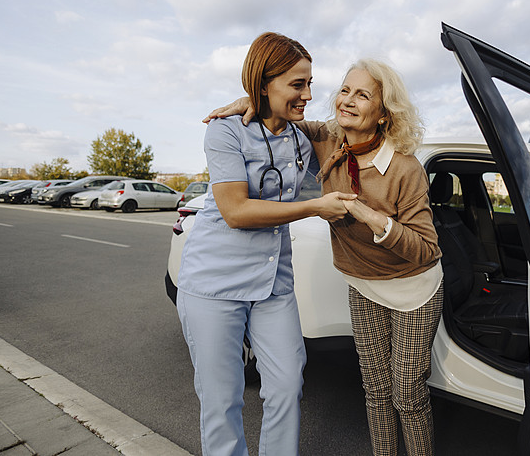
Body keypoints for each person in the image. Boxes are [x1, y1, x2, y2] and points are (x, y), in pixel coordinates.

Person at [207, 59, 443, 456]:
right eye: (345, 90)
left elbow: (427, 248)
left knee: (407, 394)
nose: (346, 101)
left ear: (384, 115)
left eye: (362, 95)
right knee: (375, 388)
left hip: (412, 291)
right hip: (362, 284)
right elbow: (281, 115)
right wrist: (249, 100)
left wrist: (369, 216)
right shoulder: (327, 139)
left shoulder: (405, 168)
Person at [178, 32, 355, 456]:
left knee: (287, 385)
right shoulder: (225, 132)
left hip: (273, 285)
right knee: (222, 401)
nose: (308, 95)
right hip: (214, 285)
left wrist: (259, 100)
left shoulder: (299, 138)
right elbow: (236, 210)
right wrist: (315, 209)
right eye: (298, 85)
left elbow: (359, 125)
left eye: (310, 83)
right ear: (263, 83)